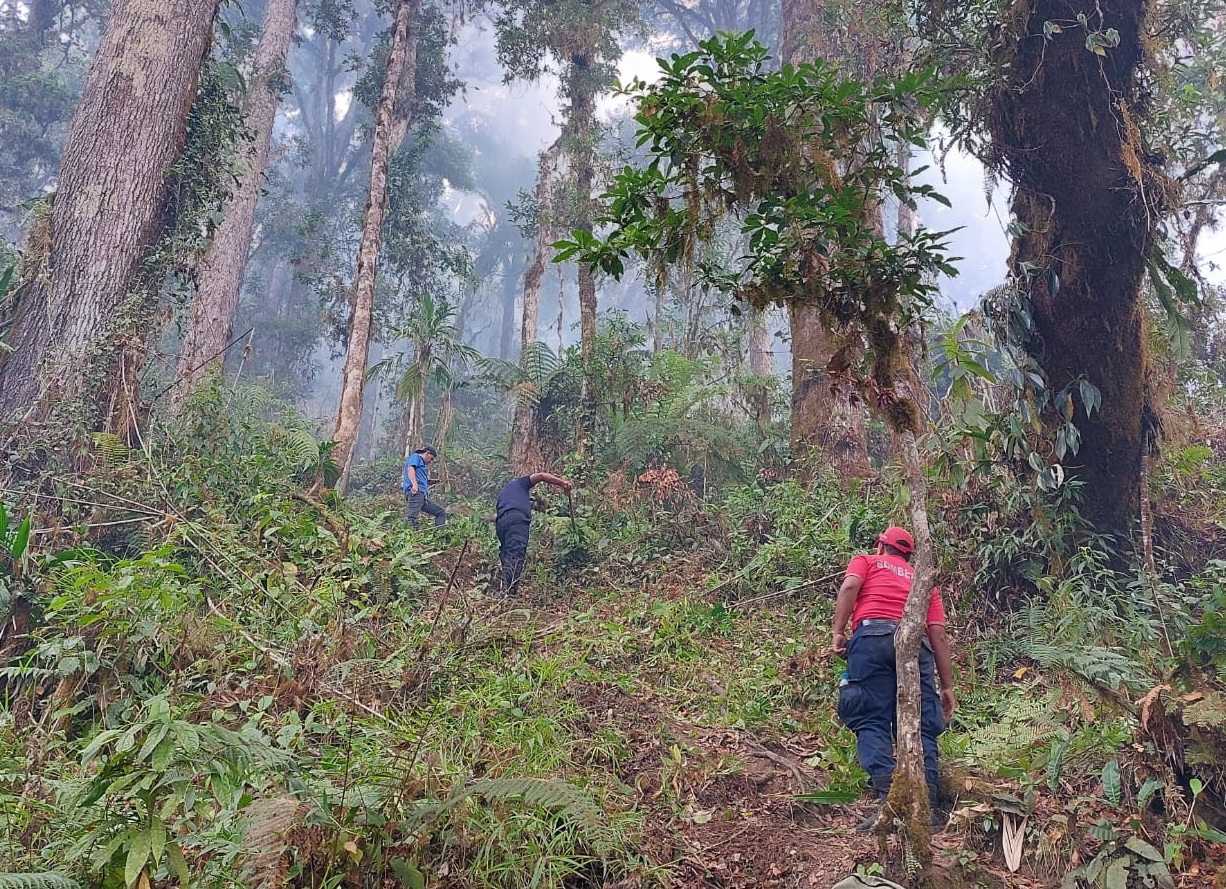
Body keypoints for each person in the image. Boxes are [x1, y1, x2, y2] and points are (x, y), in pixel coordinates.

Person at [830, 525, 956, 831]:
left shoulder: (867, 562)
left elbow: (849, 588)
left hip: (871, 638)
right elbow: (937, 635)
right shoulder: (924, 582)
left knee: (871, 718)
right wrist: (948, 685)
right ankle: (926, 808)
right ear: (909, 555)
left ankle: (891, 800)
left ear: (880, 547)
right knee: (924, 724)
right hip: (916, 644)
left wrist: (837, 632)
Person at [494, 471, 574, 599]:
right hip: (517, 521)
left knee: (506, 554)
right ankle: (509, 595)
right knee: (515, 554)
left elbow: (501, 515)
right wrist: (562, 483)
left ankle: (505, 589)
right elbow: (541, 476)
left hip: (501, 523)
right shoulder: (520, 484)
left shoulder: (503, 496)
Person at [403, 446, 446, 528]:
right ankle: (402, 536)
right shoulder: (416, 457)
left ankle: (440, 535)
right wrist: (414, 485)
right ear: (427, 453)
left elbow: (420, 480)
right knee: (411, 518)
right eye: (431, 458)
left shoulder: (421, 464)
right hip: (416, 493)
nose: (431, 461)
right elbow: (410, 469)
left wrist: (432, 482)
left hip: (422, 496)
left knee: (440, 512)